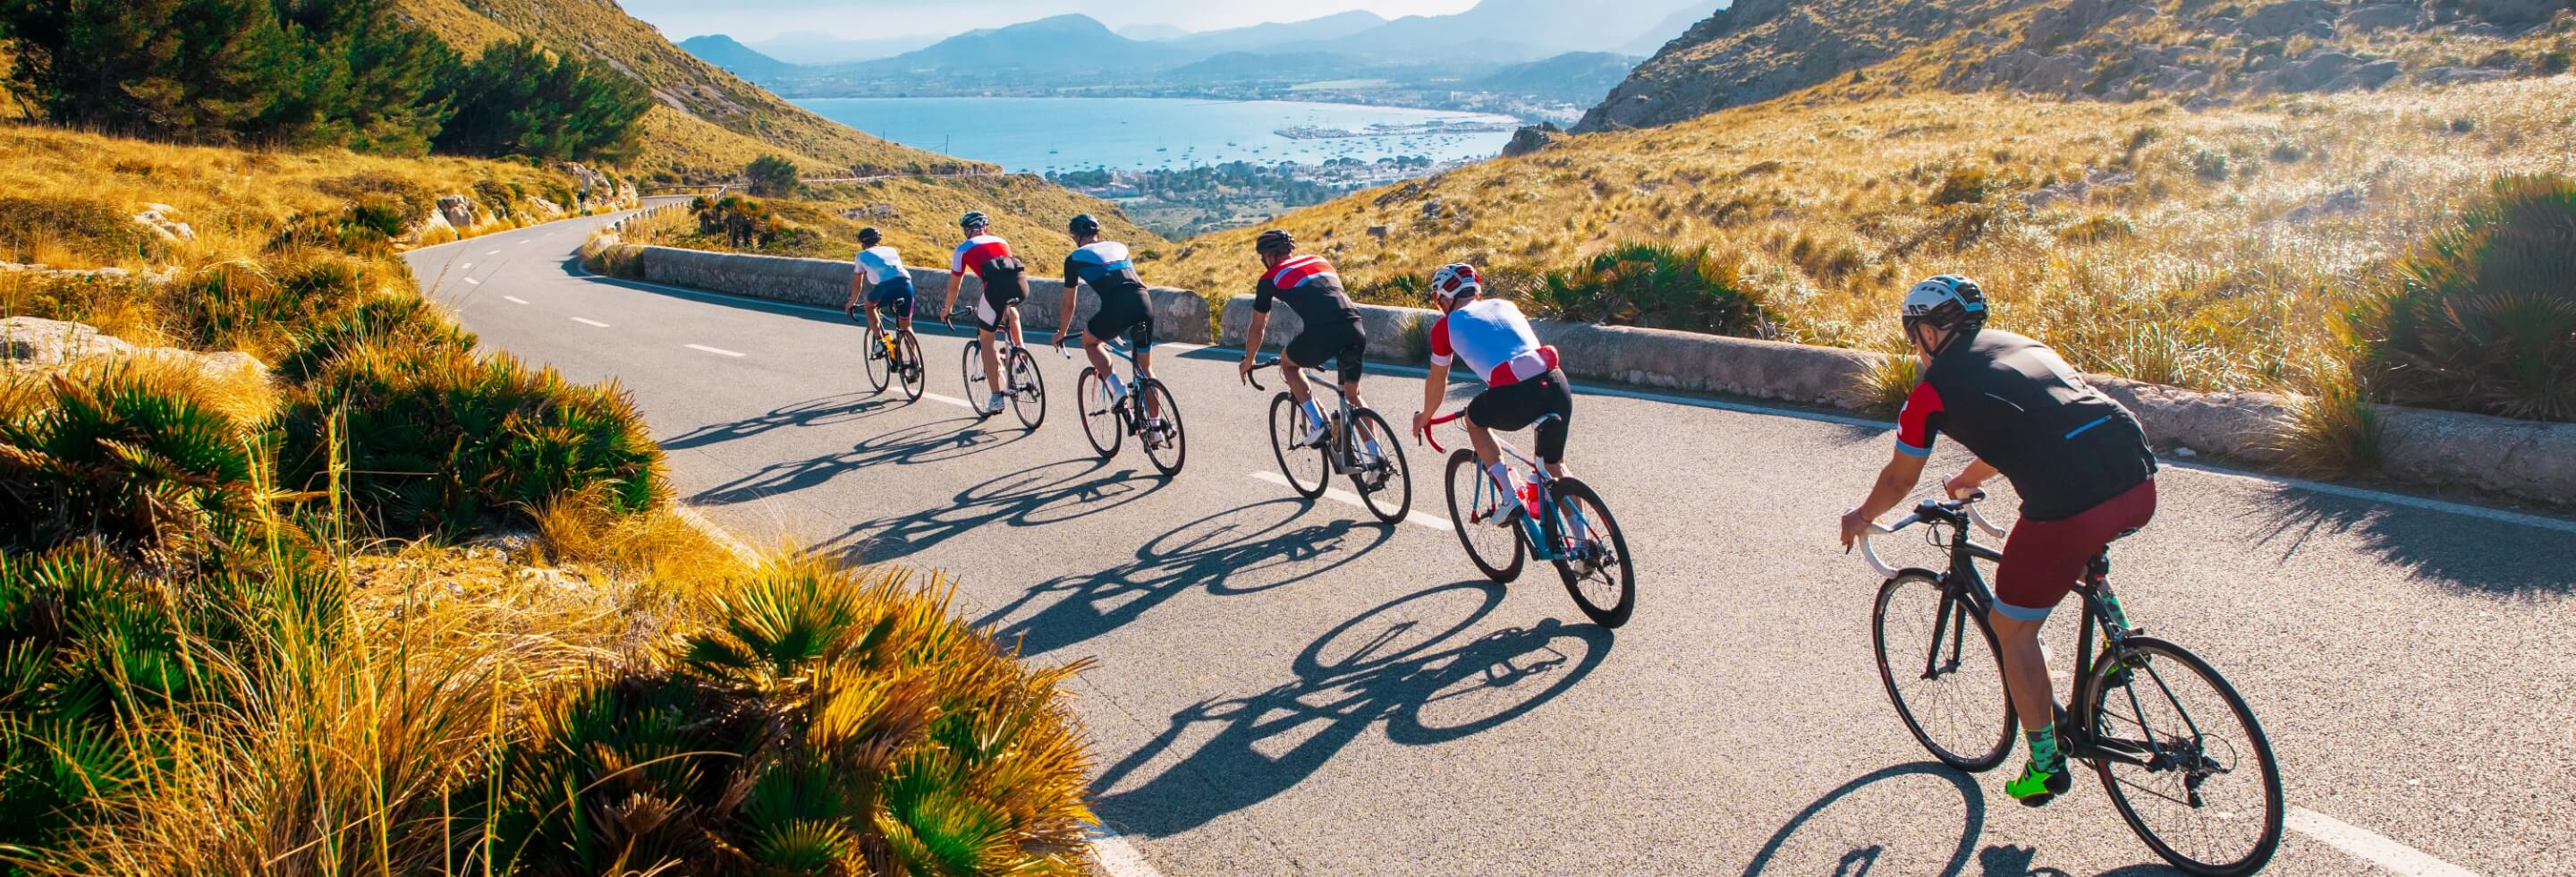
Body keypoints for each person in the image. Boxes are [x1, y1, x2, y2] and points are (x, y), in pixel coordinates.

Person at [1837, 276, 2159, 808]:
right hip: (2136, 474)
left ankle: (2044, 765)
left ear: (1928, 332)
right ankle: (2120, 641)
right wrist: (1968, 478)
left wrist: (1861, 514)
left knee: (2012, 626)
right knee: (2071, 549)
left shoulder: (1931, 391)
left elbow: (1900, 478)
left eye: (1914, 332)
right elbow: (2036, 424)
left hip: (2071, 500)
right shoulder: (2023, 345)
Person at [1408, 263, 1571, 522]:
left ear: (1445, 298)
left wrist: (1426, 415)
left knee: (1474, 419)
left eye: (1438, 301)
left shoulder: (1445, 327)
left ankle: (1509, 495)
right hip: (1554, 381)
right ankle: (1585, 542)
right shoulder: (1505, 304)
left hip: (1514, 392)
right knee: (1554, 466)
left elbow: (1438, 379)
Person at [1234, 229, 1378, 457]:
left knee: (1288, 364)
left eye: (1263, 258)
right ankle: (1377, 457)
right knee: (1353, 395)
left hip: (1323, 331)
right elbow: (1325, 299)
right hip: (1355, 326)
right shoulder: (1320, 260)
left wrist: (1249, 360)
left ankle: (1318, 423)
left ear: (1269, 256)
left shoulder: (1269, 279)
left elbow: (1258, 327)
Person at [1049, 213, 1168, 442]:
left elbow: (1068, 303)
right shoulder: (1120, 246)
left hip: (1116, 307)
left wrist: (1062, 332)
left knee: (1090, 340)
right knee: (1146, 371)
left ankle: (1117, 387)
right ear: (1099, 234)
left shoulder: (1074, 258)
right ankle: (1156, 430)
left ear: (1076, 238)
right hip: (1144, 302)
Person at [940, 211, 1030, 415]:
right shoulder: (1002, 241)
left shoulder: (963, 249)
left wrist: (948, 309)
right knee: (1010, 310)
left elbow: (954, 286)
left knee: (986, 341)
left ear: (967, 231)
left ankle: (997, 397)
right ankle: (1019, 352)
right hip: (1021, 285)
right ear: (985, 228)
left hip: (995, 291)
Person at [843, 226, 913, 337]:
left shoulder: (861, 256)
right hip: (906, 282)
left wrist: (851, 302)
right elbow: (893, 272)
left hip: (886, 285)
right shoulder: (892, 250)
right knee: (906, 326)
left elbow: (858, 283)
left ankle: (881, 341)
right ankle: (913, 355)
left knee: (869, 306)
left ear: (863, 244)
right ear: (879, 241)